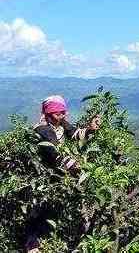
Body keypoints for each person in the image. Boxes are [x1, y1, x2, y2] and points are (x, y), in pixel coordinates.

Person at [25, 95, 101, 253]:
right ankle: (32, 243)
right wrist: (77, 165)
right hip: (43, 174)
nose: (62, 115)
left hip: (57, 173)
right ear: (49, 113)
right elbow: (55, 153)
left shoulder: (59, 123)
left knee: (54, 206)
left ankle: (52, 233)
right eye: (58, 112)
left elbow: (74, 133)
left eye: (63, 111)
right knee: (40, 207)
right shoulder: (43, 129)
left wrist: (90, 129)